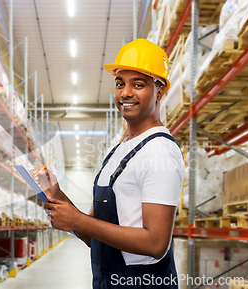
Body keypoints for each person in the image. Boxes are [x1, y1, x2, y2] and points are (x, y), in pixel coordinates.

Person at [34, 38, 185, 288]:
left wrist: (77, 221)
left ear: (159, 91)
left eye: (138, 84)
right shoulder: (119, 151)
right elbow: (95, 237)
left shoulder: (160, 151)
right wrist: (57, 195)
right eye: (119, 83)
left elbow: (156, 244)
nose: (125, 92)